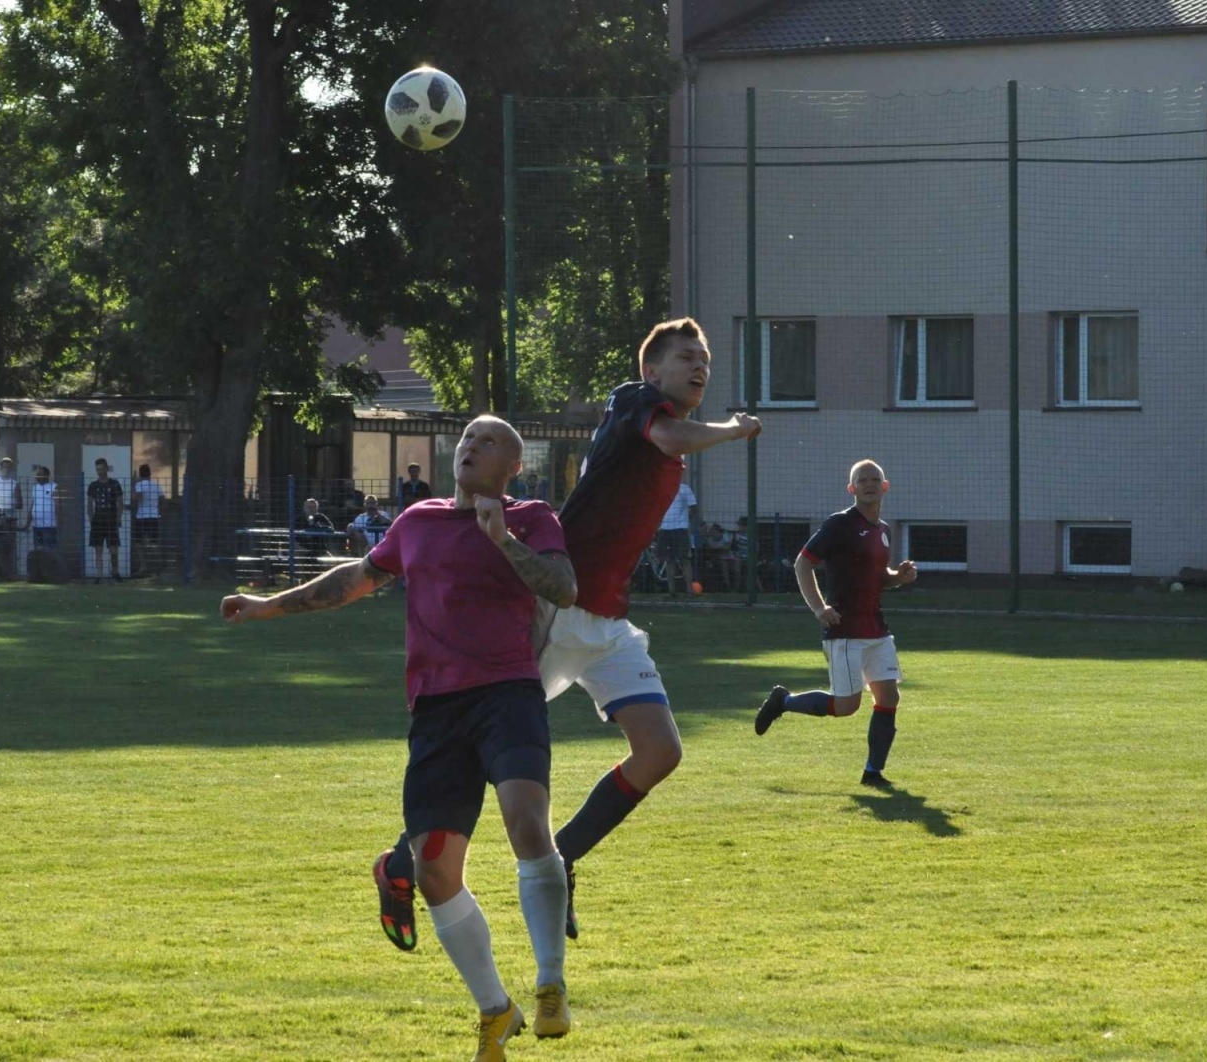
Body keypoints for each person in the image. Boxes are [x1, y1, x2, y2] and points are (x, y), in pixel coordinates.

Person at [373, 318, 761, 953]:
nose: (701, 369)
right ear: (652, 371)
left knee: (661, 751)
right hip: (556, 609)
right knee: (476, 738)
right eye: (688, 357)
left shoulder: (661, 421)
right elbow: (669, 435)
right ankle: (399, 862)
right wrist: (733, 428)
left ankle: (566, 855)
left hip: (607, 622)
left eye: (707, 362)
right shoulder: (635, 403)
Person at [221, 415, 579, 1059]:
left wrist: (504, 542)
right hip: (437, 713)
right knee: (437, 871)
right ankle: (496, 1011)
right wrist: (267, 605)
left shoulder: (532, 518)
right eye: (466, 440)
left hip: (508, 695)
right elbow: (355, 579)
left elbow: (564, 586)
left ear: (513, 466)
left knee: (528, 823)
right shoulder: (417, 523)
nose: (471, 448)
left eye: (488, 442)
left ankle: (551, 983)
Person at [753, 460, 918, 789]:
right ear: (851, 488)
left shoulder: (883, 530)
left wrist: (899, 578)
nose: (869, 484)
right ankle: (783, 701)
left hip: (877, 630)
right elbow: (803, 563)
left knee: (889, 698)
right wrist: (819, 607)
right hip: (844, 630)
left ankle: (873, 773)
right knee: (846, 706)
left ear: (885, 487)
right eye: (862, 480)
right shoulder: (839, 524)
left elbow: (878, 578)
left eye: (875, 479)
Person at [653, 477, 698, 596]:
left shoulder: (684, 489)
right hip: (665, 529)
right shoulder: (662, 489)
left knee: (684, 559)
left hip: (680, 529)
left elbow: (693, 508)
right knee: (669, 560)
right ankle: (671, 591)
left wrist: (684, 520)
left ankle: (689, 590)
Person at [86, 457, 123, 582]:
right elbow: (89, 504)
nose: (99, 472)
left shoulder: (114, 484)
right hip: (98, 520)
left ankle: (115, 572)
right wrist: (92, 520)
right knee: (98, 549)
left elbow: (120, 503)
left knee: (113, 549)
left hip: (111, 520)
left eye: (101, 469)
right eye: (97, 469)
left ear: (106, 468)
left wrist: (118, 518)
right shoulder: (93, 485)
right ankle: (99, 575)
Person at [0, 457, 24, 580]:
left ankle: (8, 574)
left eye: (8, 467)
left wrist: (11, 504)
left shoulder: (14, 484)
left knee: (8, 548)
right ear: (0, 467)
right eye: (4, 466)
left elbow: (20, 504)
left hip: (9, 520)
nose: (6, 469)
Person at [131, 463, 163, 575]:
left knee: (139, 543)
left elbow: (138, 497)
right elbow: (163, 501)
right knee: (153, 543)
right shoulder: (156, 486)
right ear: (150, 473)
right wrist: (159, 514)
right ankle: (159, 565)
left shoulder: (139, 485)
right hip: (153, 517)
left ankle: (143, 566)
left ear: (140, 474)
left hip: (141, 517)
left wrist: (133, 495)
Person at [29, 465, 59, 551]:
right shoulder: (35, 488)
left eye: (40, 474)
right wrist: (27, 523)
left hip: (49, 526)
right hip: (37, 526)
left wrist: (59, 522)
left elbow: (58, 506)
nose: (37, 476)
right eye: (37, 474)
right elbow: (32, 506)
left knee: (49, 551)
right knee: (38, 550)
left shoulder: (54, 487)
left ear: (46, 475)